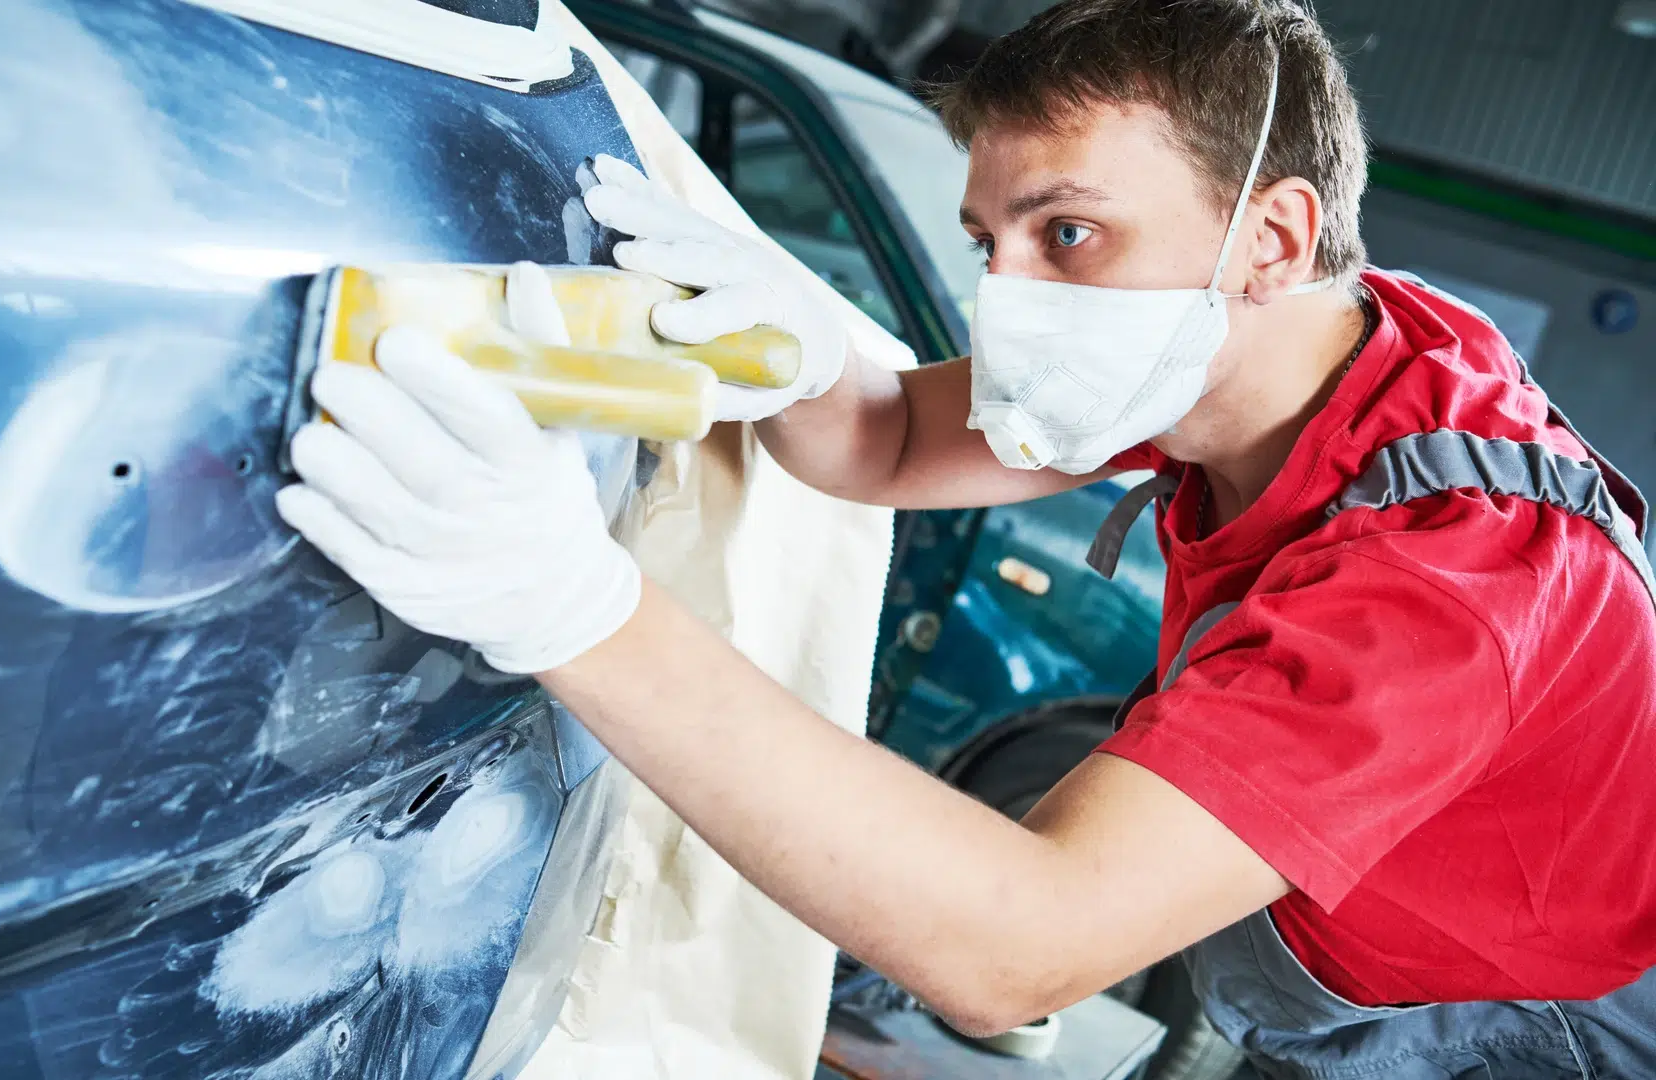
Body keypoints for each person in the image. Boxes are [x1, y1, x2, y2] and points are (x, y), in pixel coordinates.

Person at [274, 0, 1656, 1074]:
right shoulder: (1262, 342)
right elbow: (882, 445)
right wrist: (806, 352)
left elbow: (1018, 951)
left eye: (1066, 234)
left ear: (1272, 236)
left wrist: (571, 608)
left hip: (1517, 1046)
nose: (1009, 300)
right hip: (1344, 980)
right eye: (988, 239)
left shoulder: (1448, 578)